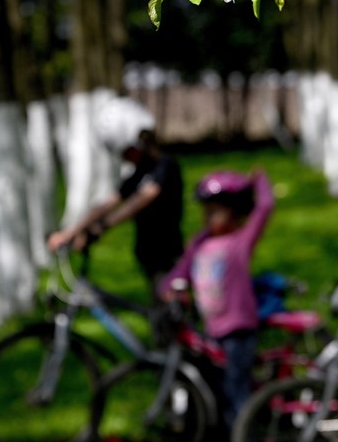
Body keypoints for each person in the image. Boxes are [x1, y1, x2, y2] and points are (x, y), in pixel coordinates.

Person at [157, 168, 274, 434]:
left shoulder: (239, 242)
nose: (208, 217)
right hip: (211, 330)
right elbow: (181, 271)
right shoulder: (200, 243)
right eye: (206, 211)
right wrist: (170, 288)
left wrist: (260, 181)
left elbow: (265, 208)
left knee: (237, 391)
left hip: (238, 329)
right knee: (218, 389)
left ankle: (245, 434)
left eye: (215, 211)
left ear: (234, 213)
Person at [47, 97, 185, 303]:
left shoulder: (165, 166)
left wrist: (100, 227)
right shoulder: (141, 171)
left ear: (140, 139)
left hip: (170, 257)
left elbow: (139, 201)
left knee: (172, 318)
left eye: (127, 150)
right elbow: (110, 201)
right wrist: (70, 232)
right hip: (149, 257)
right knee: (160, 316)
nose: (124, 157)